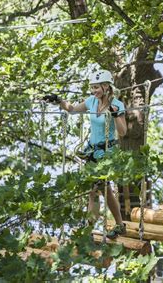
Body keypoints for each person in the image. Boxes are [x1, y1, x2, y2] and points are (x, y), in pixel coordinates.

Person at [43, 69, 128, 239]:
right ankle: (119, 225)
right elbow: (73, 109)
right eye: (92, 88)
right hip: (93, 152)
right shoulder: (91, 102)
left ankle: (89, 228)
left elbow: (123, 132)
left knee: (95, 190)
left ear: (106, 86)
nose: (93, 91)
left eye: (96, 87)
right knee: (104, 190)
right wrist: (58, 100)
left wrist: (115, 114)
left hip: (107, 153)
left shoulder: (117, 105)